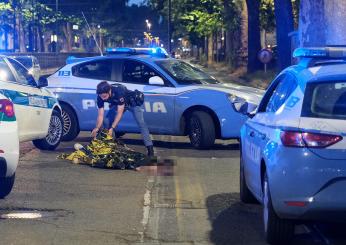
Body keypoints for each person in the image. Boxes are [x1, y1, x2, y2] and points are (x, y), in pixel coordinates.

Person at [91, 81, 154, 156]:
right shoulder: (100, 96)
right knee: (106, 121)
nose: (103, 99)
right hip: (118, 104)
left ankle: (150, 148)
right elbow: (100, 115)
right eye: (101, 96)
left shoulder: (118, 91)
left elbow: (119, 113)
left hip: (132, 103)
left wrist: (112, 127)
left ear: (109, 91)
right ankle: (111, 145)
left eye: (104, 97)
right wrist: (97, 128)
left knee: (141, 123)